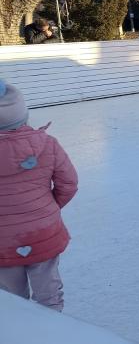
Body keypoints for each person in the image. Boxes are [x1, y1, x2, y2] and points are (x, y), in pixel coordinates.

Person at [0, 80, 78, 311]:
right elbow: (69, 183)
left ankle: (22, 329)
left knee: (12, 297)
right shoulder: (47, 144)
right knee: (49, 292)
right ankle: (53, 329)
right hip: (43, 231)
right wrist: (47, 208)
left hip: (2, 240)